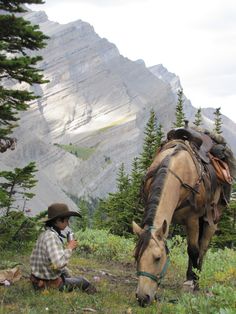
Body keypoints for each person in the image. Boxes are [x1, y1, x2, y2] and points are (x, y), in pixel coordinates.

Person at [30, 203, 96, 293]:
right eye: (66, 220)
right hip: (47, 281)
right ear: (58, 220)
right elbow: (58, 264)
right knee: (84, 282)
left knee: (67, 273)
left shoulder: (45, 234)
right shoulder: (51, 236)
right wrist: (69, 248)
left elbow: (53, 261)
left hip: (38, 277)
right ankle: (93, 295)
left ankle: (67, 282)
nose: (67, 223)